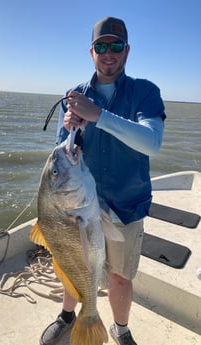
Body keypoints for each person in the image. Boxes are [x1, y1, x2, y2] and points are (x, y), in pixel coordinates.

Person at [40, 16, 166, 345]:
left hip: (126, 204)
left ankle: (120, 329)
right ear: (91, 51)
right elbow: (63, 151)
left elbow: (152, 142)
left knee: (120, 278)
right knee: (71, 263)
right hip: (78, 205)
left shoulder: (145, 92)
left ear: (127, 51)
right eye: (101, 46)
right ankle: (68, 314)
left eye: (116, 46)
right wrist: (71, 127)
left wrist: (99, 116)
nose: (108, 53)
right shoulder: (76, 94)